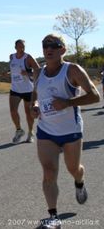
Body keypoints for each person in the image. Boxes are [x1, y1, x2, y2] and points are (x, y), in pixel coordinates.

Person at [30, 34, 100, 229]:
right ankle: (53, 217)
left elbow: (95, 96)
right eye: (45, 45)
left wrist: (68, 102)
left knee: (73, 169)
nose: (48, 49)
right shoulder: (38, 73)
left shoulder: (73, 70)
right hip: (46, 131)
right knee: (49, 172)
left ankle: (79, 180)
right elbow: (36, 94)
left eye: (54, 45)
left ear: (63, 50)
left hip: (71, 131)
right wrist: (34, 106)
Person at [8, 39, 40, 144]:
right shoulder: (11, 57)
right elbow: (14, 69)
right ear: (15, 47)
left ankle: (30, 133)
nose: (22, 48)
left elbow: (38, 71)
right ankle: (19, 130)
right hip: (15, 89)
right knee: (13, 111)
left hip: (28, 90)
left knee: (28, 113)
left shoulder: (28, 58)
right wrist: (9, 73)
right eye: (20, 46)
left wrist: (28, 73)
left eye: (23, 46)